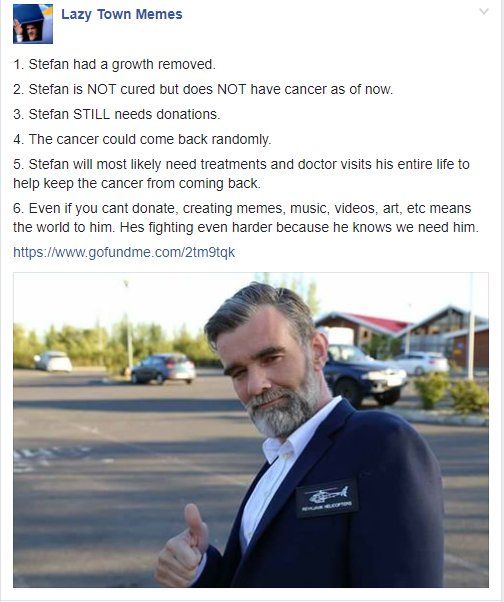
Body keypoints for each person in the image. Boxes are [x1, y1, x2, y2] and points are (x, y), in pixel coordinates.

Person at [155, 283, 444, 588]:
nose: (255, 385)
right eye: (239, 372)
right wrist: (198, 571)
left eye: (271, 358)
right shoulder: (277, 465)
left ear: (317, 351)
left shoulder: (382, 443)